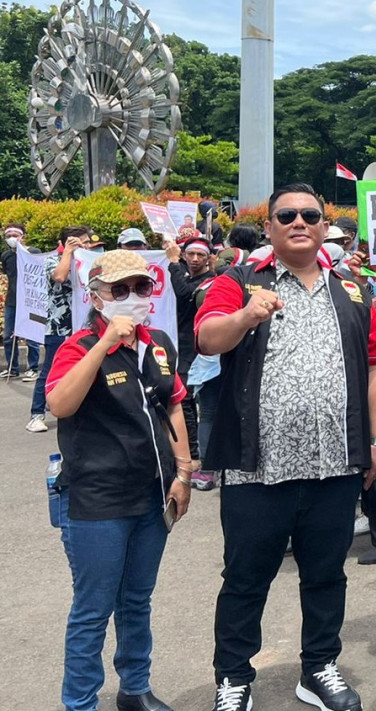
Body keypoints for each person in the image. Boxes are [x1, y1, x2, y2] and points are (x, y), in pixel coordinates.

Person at [196, 184, 376, 711]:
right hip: (257, 466)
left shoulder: (352, 288)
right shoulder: (238, 281)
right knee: (244, 578)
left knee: (326, 574)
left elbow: (375, 366)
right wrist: (244, 316)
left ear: (325, 225)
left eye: (311, 214)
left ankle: (320, 667)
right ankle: (234, 677)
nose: (300, 221)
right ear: (271, 227)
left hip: (335, 463)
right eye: (287, 215)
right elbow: (208, 338)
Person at [46, 249, 193, 711]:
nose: (132, 297)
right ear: (96, 297)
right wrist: (104, 342)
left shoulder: (160, 343)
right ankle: (80, 702)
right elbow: (60, 405)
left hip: (152, 496)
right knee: (93, 609)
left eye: (141, 288)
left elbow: (174, 406)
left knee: (137, 600)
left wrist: (184, 471)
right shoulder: (77, 346)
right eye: (120, 290)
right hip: (97, 500)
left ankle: (135, 687)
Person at [30, 226, 100, 433]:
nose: (86, 246)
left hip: (84, 325)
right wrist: (68, 252)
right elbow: (59, 277)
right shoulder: (53, 260)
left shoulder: (89, 260)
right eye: (81, 242)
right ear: (66, 243)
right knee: (50, 367)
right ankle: (36, 414)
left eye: (87, 242)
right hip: (59, 325)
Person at [166, 235, 216, 489]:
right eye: (191, 255)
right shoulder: (182, 274)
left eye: (200, 255)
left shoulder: (208, 282)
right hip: (178, 346)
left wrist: (173, 263)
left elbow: (184, 294)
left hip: (197, 352)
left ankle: (199, 459)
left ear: (209, 259)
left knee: (196, 406)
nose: (195, 259)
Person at [2, 223, 40, 380]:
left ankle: (33, 368)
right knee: (8, 336)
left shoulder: (33, 253)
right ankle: (13, 368)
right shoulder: (6, 256)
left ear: (23, 237)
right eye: (8, 235)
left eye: (15, 235)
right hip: (12, 301)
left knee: (31, 336)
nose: (12, 238)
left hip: (30, 301)